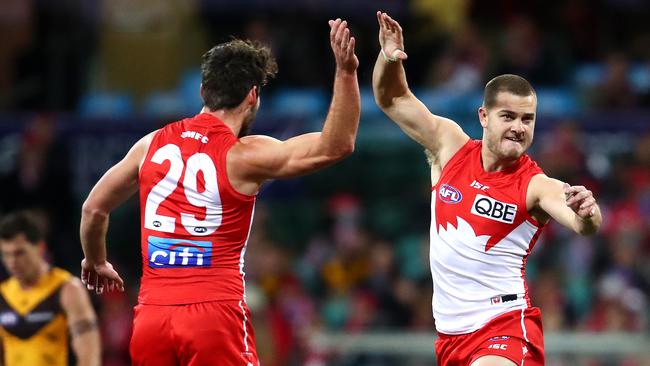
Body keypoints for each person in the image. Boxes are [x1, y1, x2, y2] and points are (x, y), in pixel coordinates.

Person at [79, 18, 359, 365]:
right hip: (213, 316)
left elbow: (93, 209)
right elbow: (336, 146)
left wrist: (95, 260)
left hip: (152, 316)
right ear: (253, 96)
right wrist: (345, 72)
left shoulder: (149, 145)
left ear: (202, 91)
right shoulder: (242, 155)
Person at [373, 11, 602, 366]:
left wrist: (588, 212)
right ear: (483, 117)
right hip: (450, 338)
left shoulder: (535, 185)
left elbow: (583, 225)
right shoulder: (448, 147)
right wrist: (388, 57)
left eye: (527, 119)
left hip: (505, 329)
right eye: (507, 117)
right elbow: (392, 99)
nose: (518, 128)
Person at [0, 211, 100, 366]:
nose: (12, 262)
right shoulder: (3, 294)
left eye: (19, 253)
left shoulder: (66, 290)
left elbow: (89, 354)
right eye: (6, 255)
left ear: (40, 247)